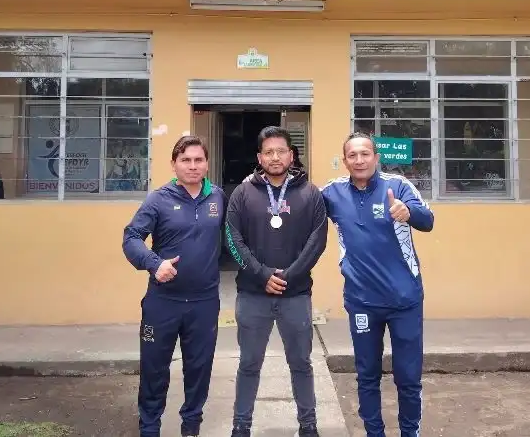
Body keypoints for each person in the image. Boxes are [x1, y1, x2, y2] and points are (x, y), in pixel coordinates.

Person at [320, 132, 434, 437]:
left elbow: (428, 219)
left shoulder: (397, 186)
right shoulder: (331, 193)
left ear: (375, 157)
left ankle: (410, 433)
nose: (359, 160)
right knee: (366, 375)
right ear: (344, 160)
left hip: (404, 300)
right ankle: (374, 433)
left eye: (365, 154)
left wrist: (408, 213)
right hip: (361, 302)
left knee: (408, 378)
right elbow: (301, 209)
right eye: (352, 155)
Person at [225, 126, 328, 437]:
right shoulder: (243, 194)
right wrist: (262, 274)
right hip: (253, 295)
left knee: (301, 364)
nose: (275, 157)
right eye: (268, 152)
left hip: (296, 295)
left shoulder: (311, 194)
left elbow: (318, 240)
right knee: (248, 364)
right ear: (259, 157)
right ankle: (241, 427)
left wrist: (289, 275)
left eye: (281, 151)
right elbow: (232, 238)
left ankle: (308, 426)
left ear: (291, 155)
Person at [122, 135, 227, 437]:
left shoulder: (217, 197)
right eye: (186, 160)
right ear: (174, 164)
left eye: (198, 160)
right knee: (154, 370)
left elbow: (235, 239)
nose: (193, 166)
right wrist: (155, 264)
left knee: (199, 370)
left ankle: (191, 427)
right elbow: (131, 238)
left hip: (204, 304)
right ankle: (150, 428)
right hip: (162, 303)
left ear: (207, 163)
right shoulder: (159, 199)